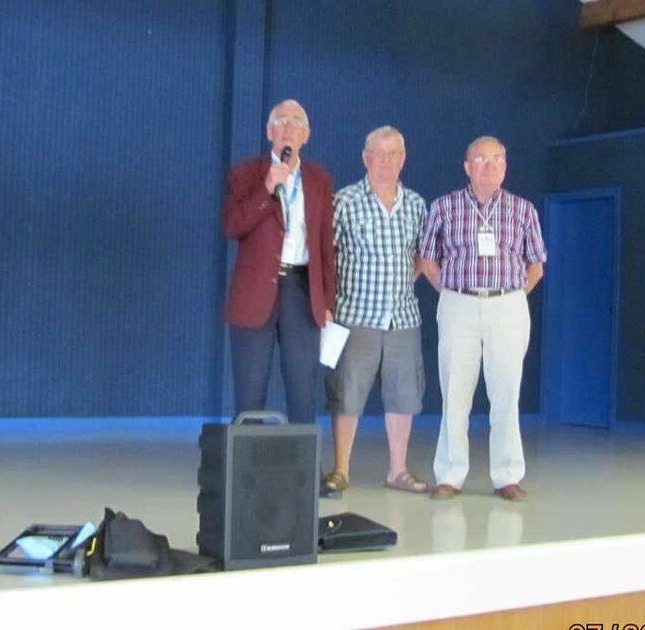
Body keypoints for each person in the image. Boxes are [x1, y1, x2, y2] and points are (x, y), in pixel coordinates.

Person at [417, 136, 547, 501]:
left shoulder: (523, 210)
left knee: (506, 393)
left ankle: (507, 476)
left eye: (495, 159)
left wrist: (512, 297)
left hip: (507, 305)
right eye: (480, 159)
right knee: (454, 392)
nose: (488, 166)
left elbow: (536, 266)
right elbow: (427, 260)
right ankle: (449, 475)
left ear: (505, 166)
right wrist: (453, 293)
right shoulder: (444, 207)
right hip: (458, 304)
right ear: (467, 166)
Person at [322, 126, 430, 495]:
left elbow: (424, 253)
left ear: (403, 159)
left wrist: (403, 279)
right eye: (378, 153)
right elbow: (326, 255)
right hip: (356, 316)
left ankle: (397, 471)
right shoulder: (344, 201)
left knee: (403, 396)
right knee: (347, 394)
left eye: (393, 153)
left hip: (403, 318)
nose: (386, 160)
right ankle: (341, 470)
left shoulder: (416, 204)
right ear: (365, 158)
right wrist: (327, 304)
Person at [222, 100, 334, 425]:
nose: (288, 127)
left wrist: (328, 301)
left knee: (302, 391)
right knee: (250, 393)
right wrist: (267, 188)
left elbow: (326, 244)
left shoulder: (319, 179)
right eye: (281, 121)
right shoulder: (245, 174)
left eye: (296, 122)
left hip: (302, 289)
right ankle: (248, 458)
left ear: (306, 135)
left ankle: (303, 458)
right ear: (269, 132)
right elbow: (232, 225)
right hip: (255, 291)